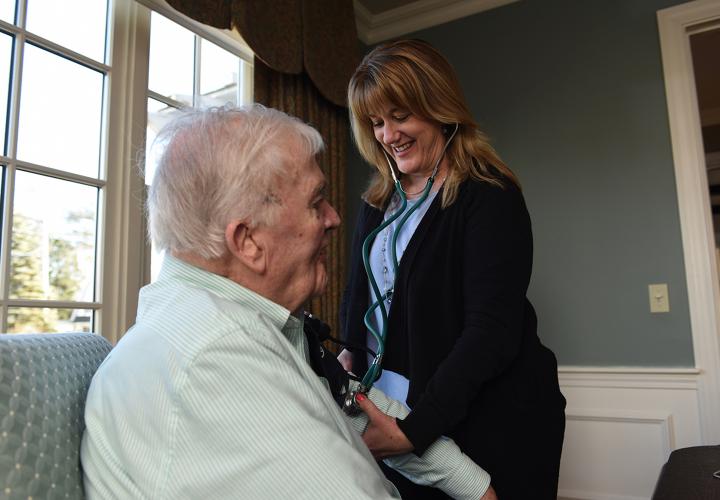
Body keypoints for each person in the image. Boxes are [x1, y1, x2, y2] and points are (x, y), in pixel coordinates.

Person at [80, 105, 497, 499]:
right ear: (247, 241)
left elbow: (355, 404)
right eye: (316, 202)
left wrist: (474, 486)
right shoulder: (217, 354)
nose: (335, 218)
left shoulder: (235, 322)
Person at [341, 39, 567, 500]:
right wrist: (349, 360)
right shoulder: (378, 201)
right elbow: (357, 294)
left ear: (439, 108)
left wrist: (417, 428)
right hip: (392, 405)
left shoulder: (488, 193)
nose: (388, 134)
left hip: (488, 416)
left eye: (400, 115)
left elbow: (492, 332)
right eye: (377, 122)